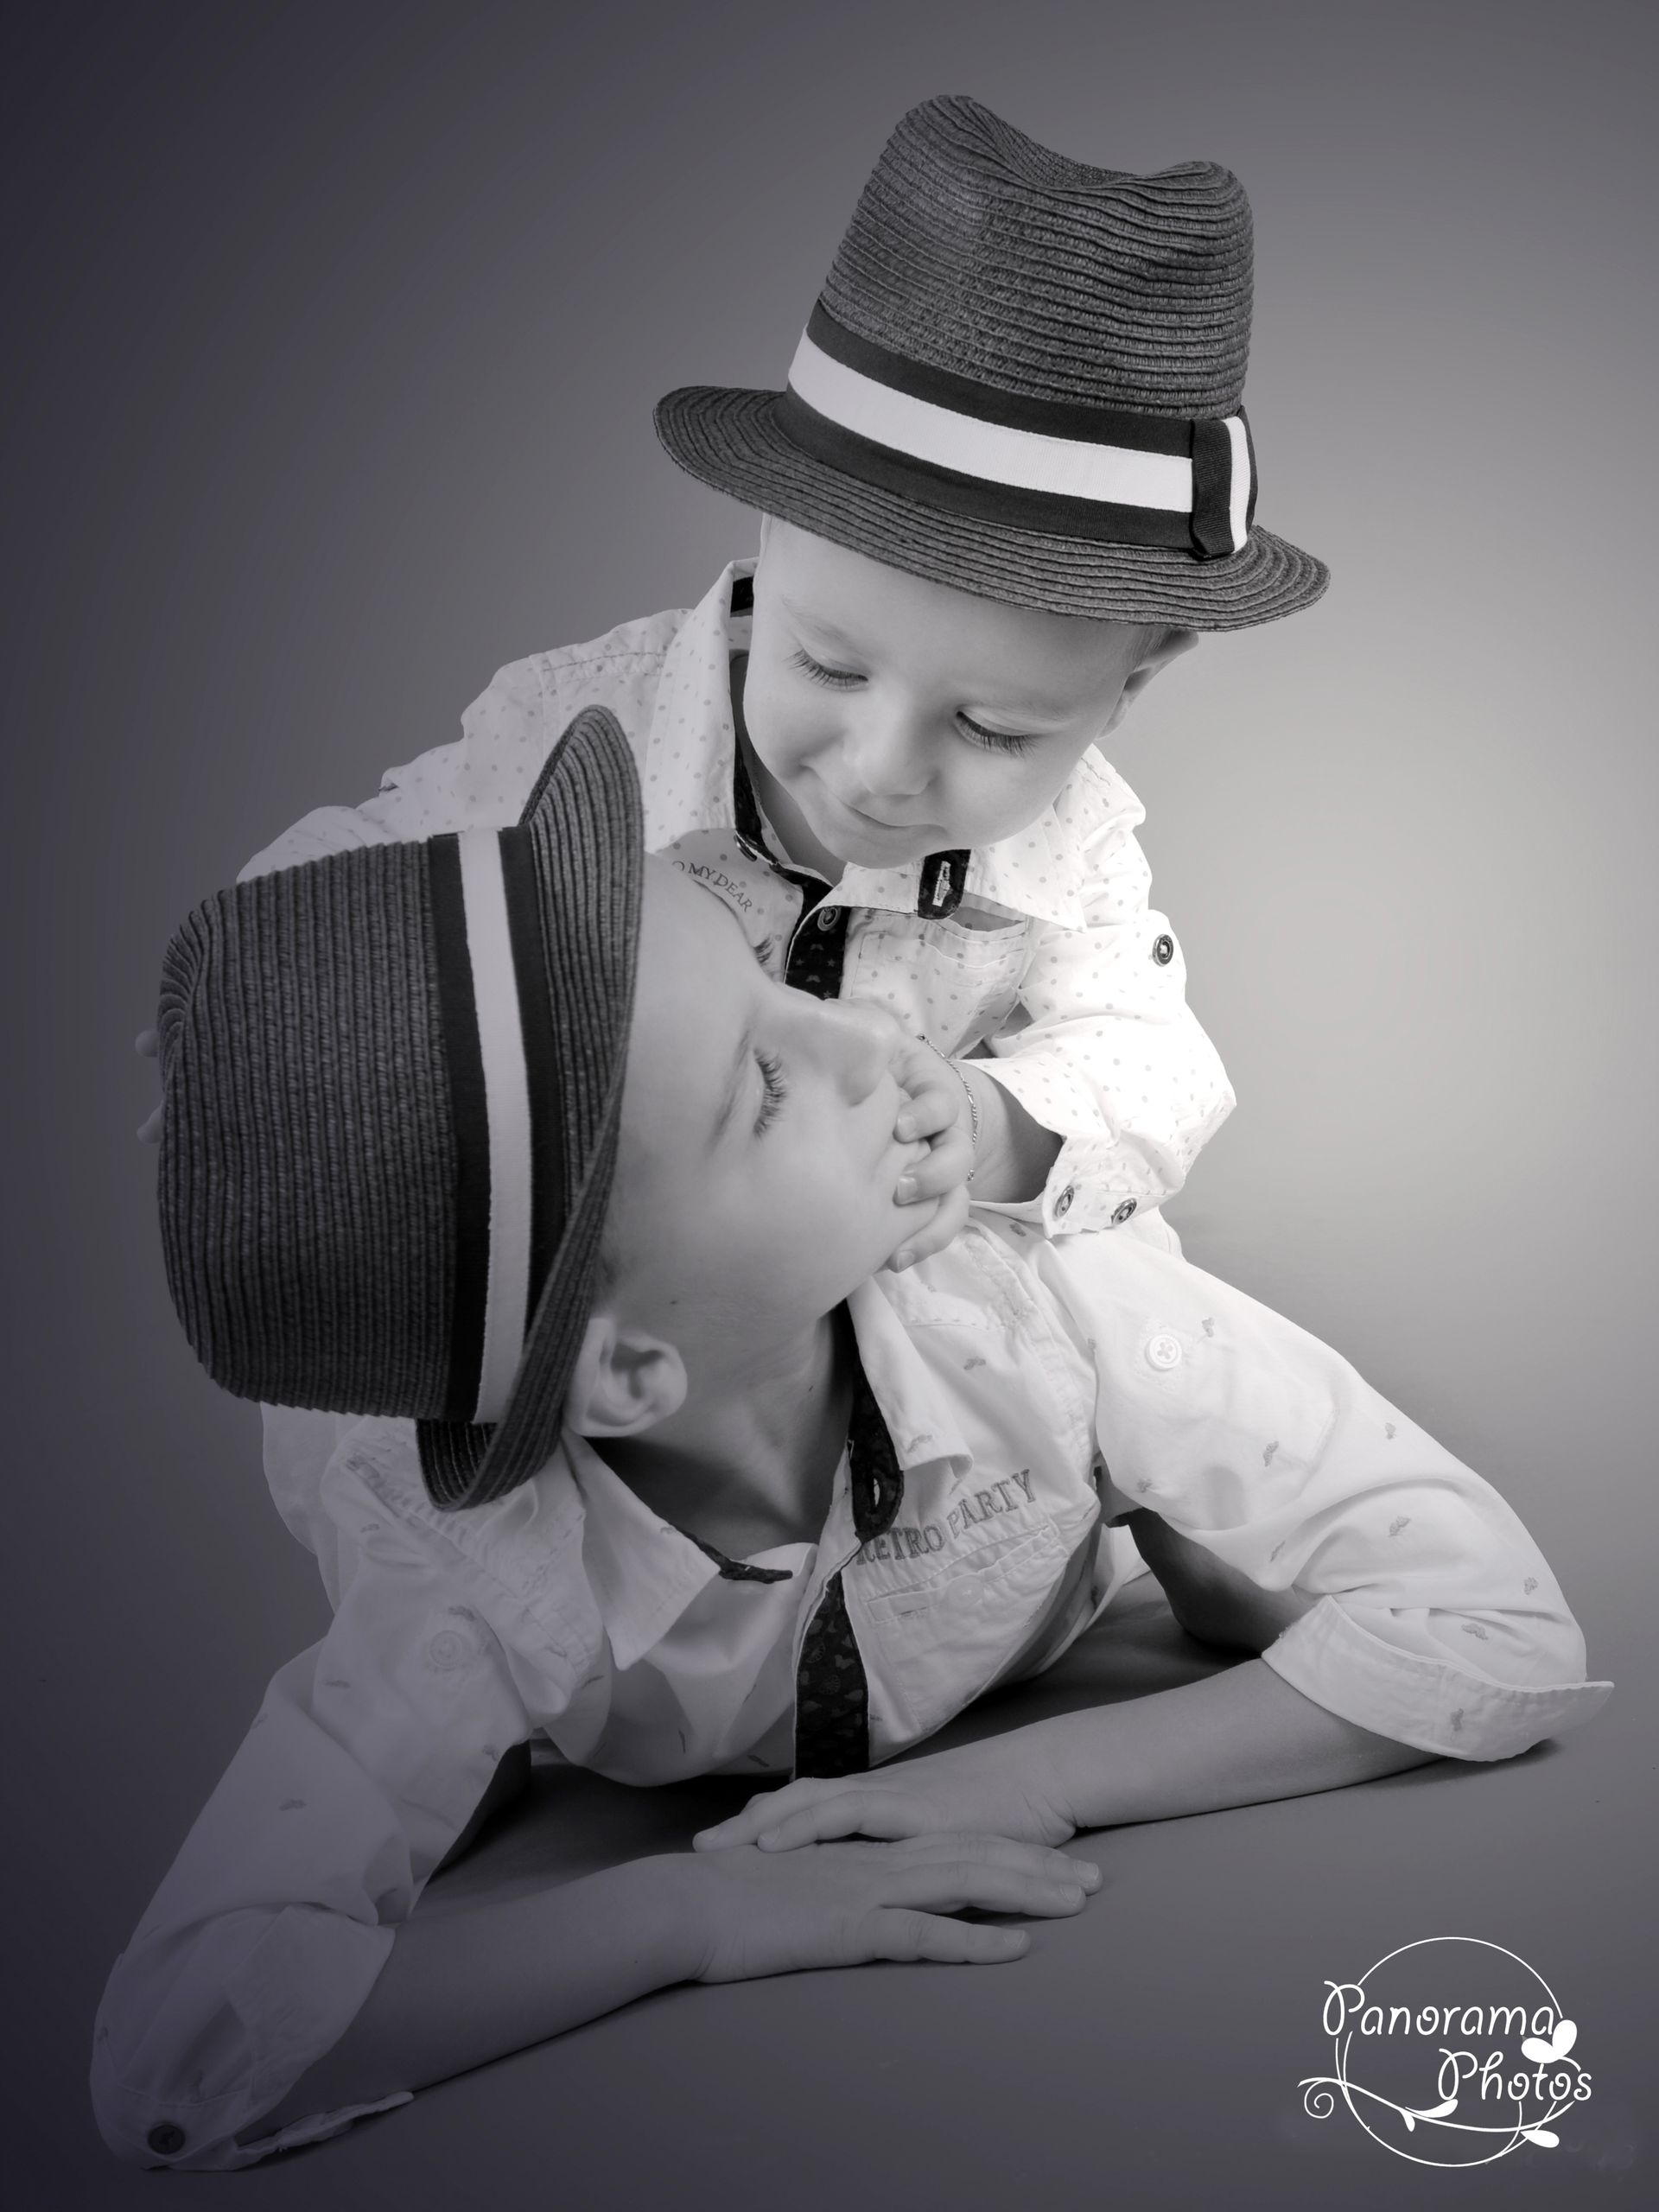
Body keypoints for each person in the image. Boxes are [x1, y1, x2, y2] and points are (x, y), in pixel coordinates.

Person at [95, 709, 1609, 2171]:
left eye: (775, 981)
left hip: (1041, 1491)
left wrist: (1027, 1780)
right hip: (483, 1459)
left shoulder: (1038, 1300)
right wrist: (686, 1923)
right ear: (621, 1365)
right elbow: (179, 2061)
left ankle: (1169, 1513)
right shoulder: (470, 1579)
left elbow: (1498, 1622)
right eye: (763, 1086)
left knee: (1221, 1550)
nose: (874, 1033)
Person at [220, 92, 1336, 1260]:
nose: (883, 767)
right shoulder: (579, 731)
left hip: (931, 1323)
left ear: (1135, 680)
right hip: (649, 1301)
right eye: (828, 664)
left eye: (995, 729)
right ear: (769, 532)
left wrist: (988, 1123)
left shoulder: (1080, 846)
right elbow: (375, 870)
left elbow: (1153, 1063)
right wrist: (259, 995)